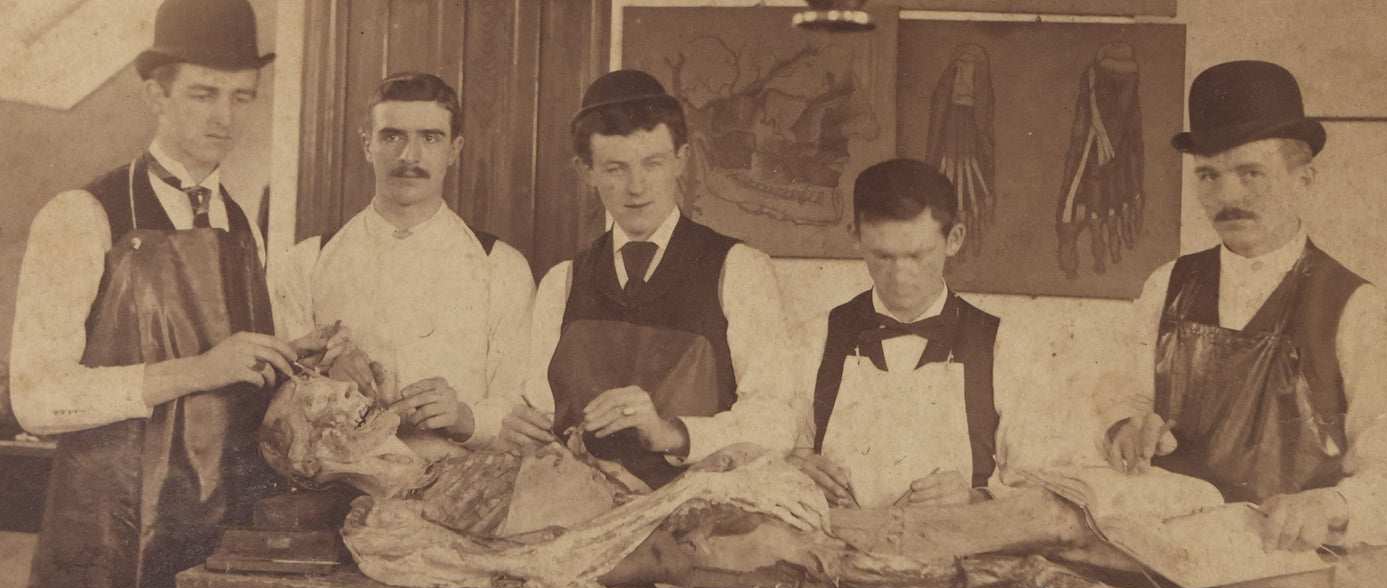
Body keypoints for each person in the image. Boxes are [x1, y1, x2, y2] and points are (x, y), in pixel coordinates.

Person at [8, 1, 335, 588]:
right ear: (155, 95)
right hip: (109, 537)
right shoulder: (82, 215)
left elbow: (235, 375)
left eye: (242, 96)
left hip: (214, 539)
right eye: (203, 93)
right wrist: (202, 368)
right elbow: (35, 398)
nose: (226, 117)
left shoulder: (242, 225)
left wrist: (288, 362)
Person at [1101, 60, 1387, 553]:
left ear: (1304, 180)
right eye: (1208, 176)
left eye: (1250, 173)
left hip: (1284, 564)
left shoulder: (1361, 309)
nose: (1227, 196)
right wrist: (1125, 426)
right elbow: (1121, 397)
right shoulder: (1166, 284)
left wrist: (1331, 506)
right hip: (1165, 552)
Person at [500, 69, 795, 489]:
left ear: (681, 160)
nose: (636, 187)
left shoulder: (739, 270)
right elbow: (542, 412)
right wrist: (522, 427)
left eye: (652, 163)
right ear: (586, 171)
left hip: (699, 506)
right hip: (579, 506)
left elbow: (778, 420)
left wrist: (671, 433)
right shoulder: (561, 282)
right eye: (615, 168)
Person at [268, 72, 534, 449]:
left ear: (454, 149)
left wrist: (464, 417)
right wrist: (323, 379)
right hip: (337, 480)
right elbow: (278, 406)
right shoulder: (304, 264)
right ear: (367, 145)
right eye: (392, 137)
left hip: (462, 476)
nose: (410, 156)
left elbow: (519, 404)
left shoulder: (502, 268)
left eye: (430, 138)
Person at [790, 158, 1024, 509]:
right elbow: (775, 457)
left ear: (954, 239)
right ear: (855, 237)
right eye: (883, 256)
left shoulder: (1001, 344)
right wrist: (798, 471)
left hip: (957, 542)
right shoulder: (814, 337)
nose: (900, 277)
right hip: (837, 541)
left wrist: (974, 499)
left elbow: (1037, 490)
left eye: (917, 256)